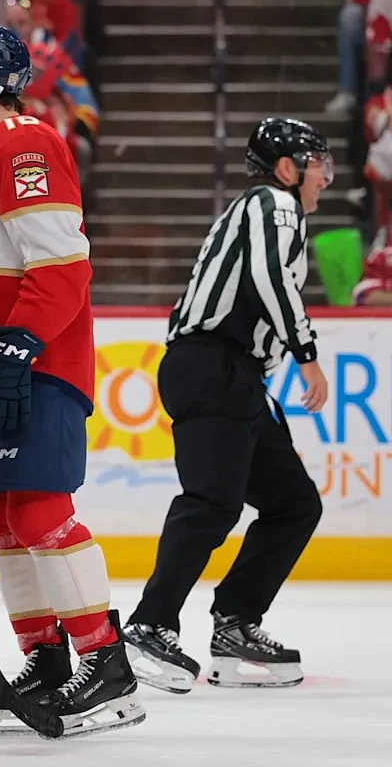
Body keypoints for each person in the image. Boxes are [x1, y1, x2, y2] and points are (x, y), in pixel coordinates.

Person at [0, 24, 145, 738]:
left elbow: (61, 265)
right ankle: (47, 659)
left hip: (36, 363)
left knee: (39, 511)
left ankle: (106, 664)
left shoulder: (23, 142)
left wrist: (16, 344)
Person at [121, 118, 329, 692]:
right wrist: (306, 354)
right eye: (318, 165)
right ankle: (148, 625)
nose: (324, 178)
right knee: (212, 502)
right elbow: (270, 280)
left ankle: (235, 621)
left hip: (232, 375)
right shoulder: (274, 203)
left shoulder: (267, 210)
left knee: (293, 503)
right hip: (214, 367)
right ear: (286, 168)